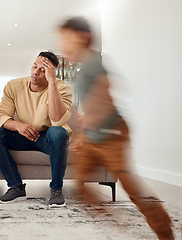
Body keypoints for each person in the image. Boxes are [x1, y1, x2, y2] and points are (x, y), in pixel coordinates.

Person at [58, 17, 174, 239]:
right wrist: (83, 133)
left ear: (83, 37)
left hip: (112, 135)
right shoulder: (85, 69)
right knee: (80, 186)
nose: (63, 44)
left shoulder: (93, 64)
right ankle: (115, 221)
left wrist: (90, 120)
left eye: (66, 38)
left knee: (133, 190)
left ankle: (164, 230)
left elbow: (107, 88)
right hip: (94, 137)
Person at [0, 52, 72, 207]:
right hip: (24, 134)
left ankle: (56, 191)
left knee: (58, 132)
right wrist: (19, 126)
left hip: (48, 137)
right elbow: (1, 116)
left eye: (43, 70)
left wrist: (52, 82)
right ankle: (16, 187)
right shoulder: (14, 85)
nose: (36, 72)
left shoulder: (62, 88)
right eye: (35, 66)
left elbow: (57, 120)